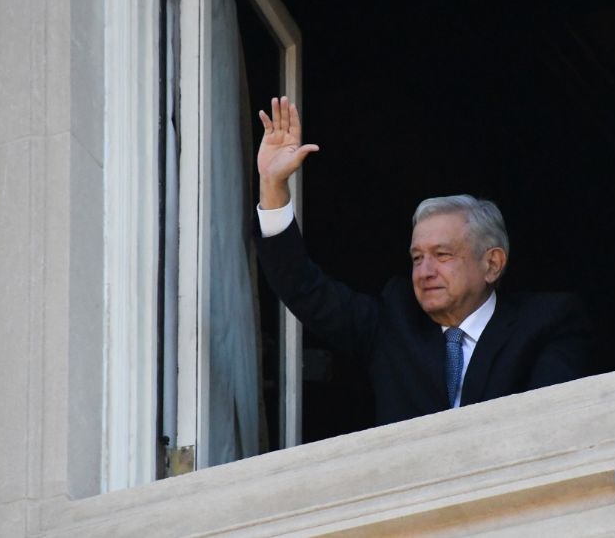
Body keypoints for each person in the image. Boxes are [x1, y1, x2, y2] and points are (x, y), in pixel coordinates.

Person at [255, 96, 597, 426]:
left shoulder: (547, 324)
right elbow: (303, 288)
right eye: (417, 258)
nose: (424, 271)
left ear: (492, 264)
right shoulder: (393, 323)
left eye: (442, 255)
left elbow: (551, 423)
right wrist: (273, 186)